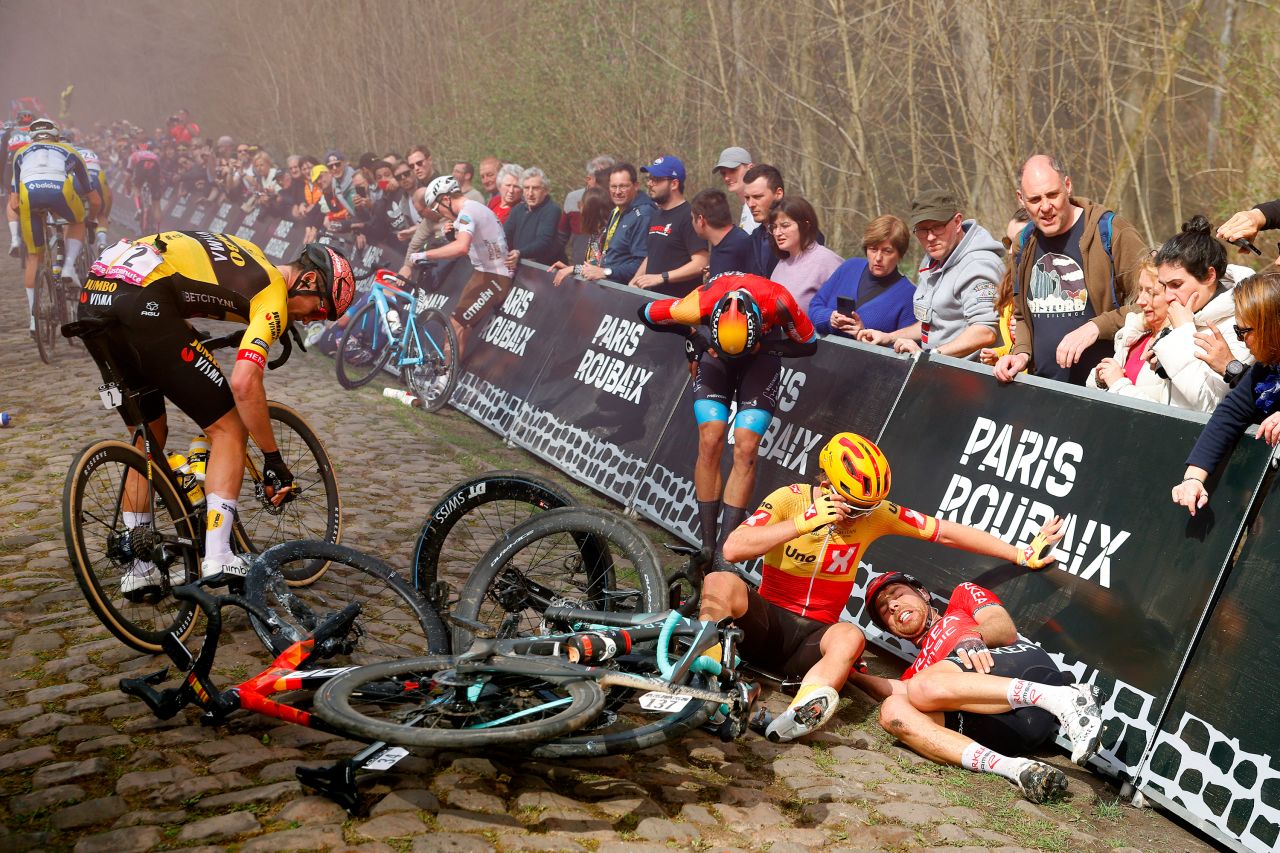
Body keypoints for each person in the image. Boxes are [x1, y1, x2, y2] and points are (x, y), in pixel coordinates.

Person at [709, 432, 1065, 744]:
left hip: (810, 644)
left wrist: (1020, 552)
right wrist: (802, 523)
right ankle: (705, 677)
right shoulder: (791, 499)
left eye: (868, 507)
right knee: (720, 581)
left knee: (850, 635)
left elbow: (946, 531)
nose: (861, 515)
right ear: (828, 485)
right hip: (766, 623)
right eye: (854, 505)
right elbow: (733, 549)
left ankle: (799, 714)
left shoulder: (877, 514)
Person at [78, 233, 355, 591]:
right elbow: (244, 383)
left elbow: (179, 266)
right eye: (319, 310)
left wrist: (185, 333)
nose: (309, 320)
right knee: (229, 428)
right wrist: (272, 458)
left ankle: (140, 565)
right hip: (145, 301)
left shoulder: (251, 254)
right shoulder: (271, 292)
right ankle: (219, 554)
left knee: (147, 437)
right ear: (308, 280)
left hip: (95, 298)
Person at [848, 571, 1104, 803]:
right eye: (883, 609)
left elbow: (1002, 626)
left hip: (1024, 668)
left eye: (897, 594)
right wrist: (850, 672)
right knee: (893, 710)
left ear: (923, 594)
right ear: (891, 629)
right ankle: (1015, 769)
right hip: (1013, 730)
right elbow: (891, 690)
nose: (892, 605)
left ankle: (1066, 698)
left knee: (919, 687)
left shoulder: (961, 599)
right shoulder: (917, 671)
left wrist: (974, 635)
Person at [638, 272, 819, 562]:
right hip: (716, 350)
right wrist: (692, 336)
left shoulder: (779, 300)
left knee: (746, 447)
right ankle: (707, 545)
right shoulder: (696, 304)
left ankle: (726, 551)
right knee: (711, 437)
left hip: (761, 353)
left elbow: (809, 344)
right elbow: (646, 313)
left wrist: (765, 347)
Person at [993, 154, 1148, 385]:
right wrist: (1021, 353)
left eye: (1052, 195)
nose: (1045, 207)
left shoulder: (1111, 232)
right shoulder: (1023, 243)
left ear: (1067, 185)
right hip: (1044, 388)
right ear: (1020, 199)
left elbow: (1155, 304)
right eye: (1035, 199)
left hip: (1104, 391)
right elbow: (1022, 315)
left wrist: (1097, 326)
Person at [1086, 218, 1253, 412]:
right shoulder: (1187, 312)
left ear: (1209, 276)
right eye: (1164, 286)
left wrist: (1183, 332)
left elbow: (1208, 406)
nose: (1168, 296)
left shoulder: (1242, 322)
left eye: (1176, 285)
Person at [1172, 271, 1280, 516]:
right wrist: (1194, 478)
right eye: (1237, 330)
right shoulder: (1265, 369)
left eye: (1245, 332)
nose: (1242, 341)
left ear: (1272, 326)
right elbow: (1230, 414)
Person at [857, 191, 1002, 358]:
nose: (930, 237)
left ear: (957, 222)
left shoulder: (978, 265)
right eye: (922, 230)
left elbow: (984, 331)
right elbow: (932, 324)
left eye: (938, 227)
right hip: (939, 370)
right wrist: (889, 337)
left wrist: (929, 356)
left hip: (970, 375)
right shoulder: (934, 260)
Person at [406, 176, 511, 364]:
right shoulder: (471, 210)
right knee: (460, 328)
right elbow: (473, 245)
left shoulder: (467, 212)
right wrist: (450, 236)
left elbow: (461, 248)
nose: (439, 213)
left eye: (437, 208)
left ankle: (443, 380)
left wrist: (425, 255)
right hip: (483, 273)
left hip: (495, 277)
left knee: (455, 326)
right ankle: (448, 379)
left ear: (446, 199)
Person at [9, 119, 100, 332]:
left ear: (32, 137)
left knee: (34, 257)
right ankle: (68, 265)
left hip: (29, 195)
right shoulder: (69, 150)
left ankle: (33, 319)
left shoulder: (21, 153)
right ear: (56, 136)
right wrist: (92, 220)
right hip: (60, 191)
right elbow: (94, 200)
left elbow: (13, 204)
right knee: (77, 220)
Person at [809, 215, 914, 338]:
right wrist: (830, 318)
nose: (878, 258)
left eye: (887, 251)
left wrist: (865, 335)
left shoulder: (907, 295)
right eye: (873, 249)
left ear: (900, 254)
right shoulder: (850, 267)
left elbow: (903, 349)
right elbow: (814, 306)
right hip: (825, 353)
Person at [630, 156, 708, 297]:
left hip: (678, 307)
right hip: (652, 303)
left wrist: (662, 277)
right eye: (649, 178)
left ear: (674, 184)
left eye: (656, 179)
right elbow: (653, 254)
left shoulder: (690, 216)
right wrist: (635, 281)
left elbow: (701, 263)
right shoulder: (656, 215)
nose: (650, 183)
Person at [575, 163, 654, 284]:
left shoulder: (643, 214)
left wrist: (606, 272)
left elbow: (641, 264)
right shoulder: (616, 210)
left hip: (625, 292)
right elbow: (605, 259)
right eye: (613, 186)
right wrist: (575, 269)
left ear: (636, 186)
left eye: (623, 186)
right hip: (608, 287)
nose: (617, 192)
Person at [766, 196, 842, 313]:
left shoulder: (827, 261)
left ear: (805, 226)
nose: (777, 233)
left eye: (785, 226)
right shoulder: (780, 266)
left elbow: (843, 311)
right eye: (774, 227)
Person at [979, 210, 1033, 367]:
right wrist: (1000, 354)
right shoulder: (1010, 280)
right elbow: (1016, 345)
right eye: (1008, 242)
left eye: (1018, 241)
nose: (1010, 250)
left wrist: (1030, 331)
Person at [560, 155, 616, 265]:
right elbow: (592, 265)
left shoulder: (617, 210)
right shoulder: (595, 234)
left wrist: (572, 270)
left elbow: (598, 266)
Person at [550, 185, 610, 286]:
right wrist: (569, 270)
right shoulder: (595, 233)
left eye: (581, 207)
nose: (580, 212)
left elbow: (599, 269)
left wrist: (573, 269)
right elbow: (590, 266)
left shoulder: (606, 234)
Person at [690, 189, 758, 279]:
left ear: (700, 220)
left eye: (692, 218)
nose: (691, 222)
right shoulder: (718, 243)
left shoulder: (742, 245)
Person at [504, 167, 562, 267]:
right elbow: (504, 234)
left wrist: (519, 253)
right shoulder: (518, 209)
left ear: (546, 190)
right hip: (521, 268)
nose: (530, 193)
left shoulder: (552, 210)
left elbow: (543, 242)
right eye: (526, 188)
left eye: (535, 188)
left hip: (544, 271)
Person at [741, 164, 786, 277]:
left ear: (778, 194)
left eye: (758, 197)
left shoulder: (803, 235)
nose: (750, 204)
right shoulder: (753, 239)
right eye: (747, 198)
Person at [712, 146, 758, 234]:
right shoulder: (746, 208)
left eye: (733, 170)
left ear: (750, 168)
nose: (726, 178)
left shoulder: (762, 207)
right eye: (723, 173)